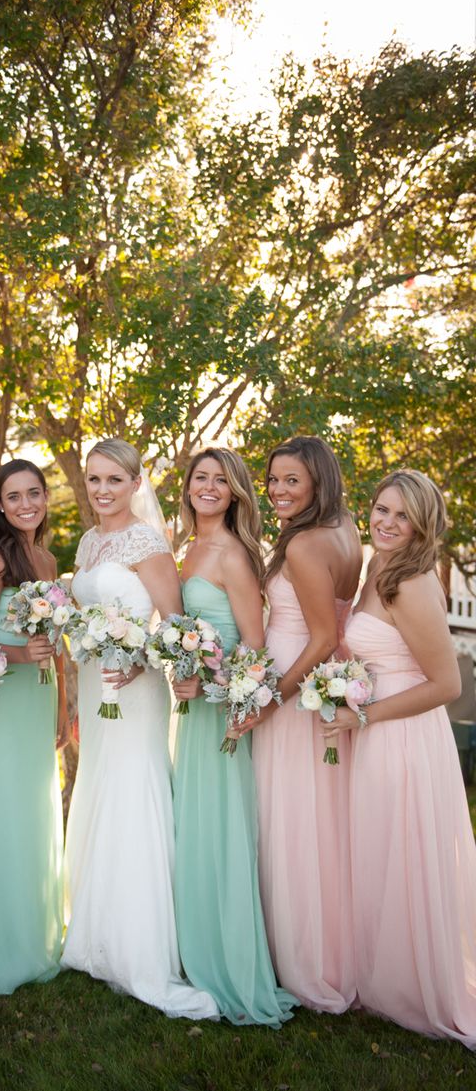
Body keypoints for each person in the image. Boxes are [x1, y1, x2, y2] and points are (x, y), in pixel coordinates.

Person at [62, 438, 218, 1019]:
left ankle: (140, 949)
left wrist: (137, 659)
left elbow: (175, 627)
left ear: (135, 484)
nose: (103, 490)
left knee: (133, 795)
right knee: (99, 793)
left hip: (136, 689)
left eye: (114, 480)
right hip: (94, 684)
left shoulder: (148, 542)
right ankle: (95, 936)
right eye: (94, 479)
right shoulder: (89, 540)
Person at [322, 469, 476, 1047]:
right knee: (379, 854)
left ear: (421, 525)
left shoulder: (412, 583)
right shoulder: (374, 566)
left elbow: (444, 685)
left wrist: (362, 716)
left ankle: (414, 986)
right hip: (373, 729)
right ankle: (384, 978)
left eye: (400, 516)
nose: (385, 523)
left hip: (405, 736)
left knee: (402, 855)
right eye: (381, 510)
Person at [172, 447, 296, 1027]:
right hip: (193, 714)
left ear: (237, 493)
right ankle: (194, 948)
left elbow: (255, 648)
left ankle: (229, 964)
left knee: (220, 827)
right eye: (202, 477)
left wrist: (216, 685)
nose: (210, 487)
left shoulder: (233, 555)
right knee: (194, 824)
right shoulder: (185, 547)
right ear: (188, 485)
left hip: (223, 715)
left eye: (223, 481)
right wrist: (182, 670)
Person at [242, 436, 362, 1012]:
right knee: (321, 823)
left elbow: (320, 636)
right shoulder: (345, 528)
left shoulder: (305, 547)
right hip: (321, 688)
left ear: (318, 480)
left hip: (296, 687)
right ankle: (331, 951)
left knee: (290, 821)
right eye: (273, 480)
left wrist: (271, 698)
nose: (279, 491)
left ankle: (301, 959)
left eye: (292, 480)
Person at [0, 459, 66, 995]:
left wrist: (63, 709)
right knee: (3, 811)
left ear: (46, 499)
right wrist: (21, 654)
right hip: (3, 700)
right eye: (14, 496)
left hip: (38, 700)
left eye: (35, 493)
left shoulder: (46, 560)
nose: (26, 504)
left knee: (34, 810)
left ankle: (33, 934)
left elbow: (57, 647)